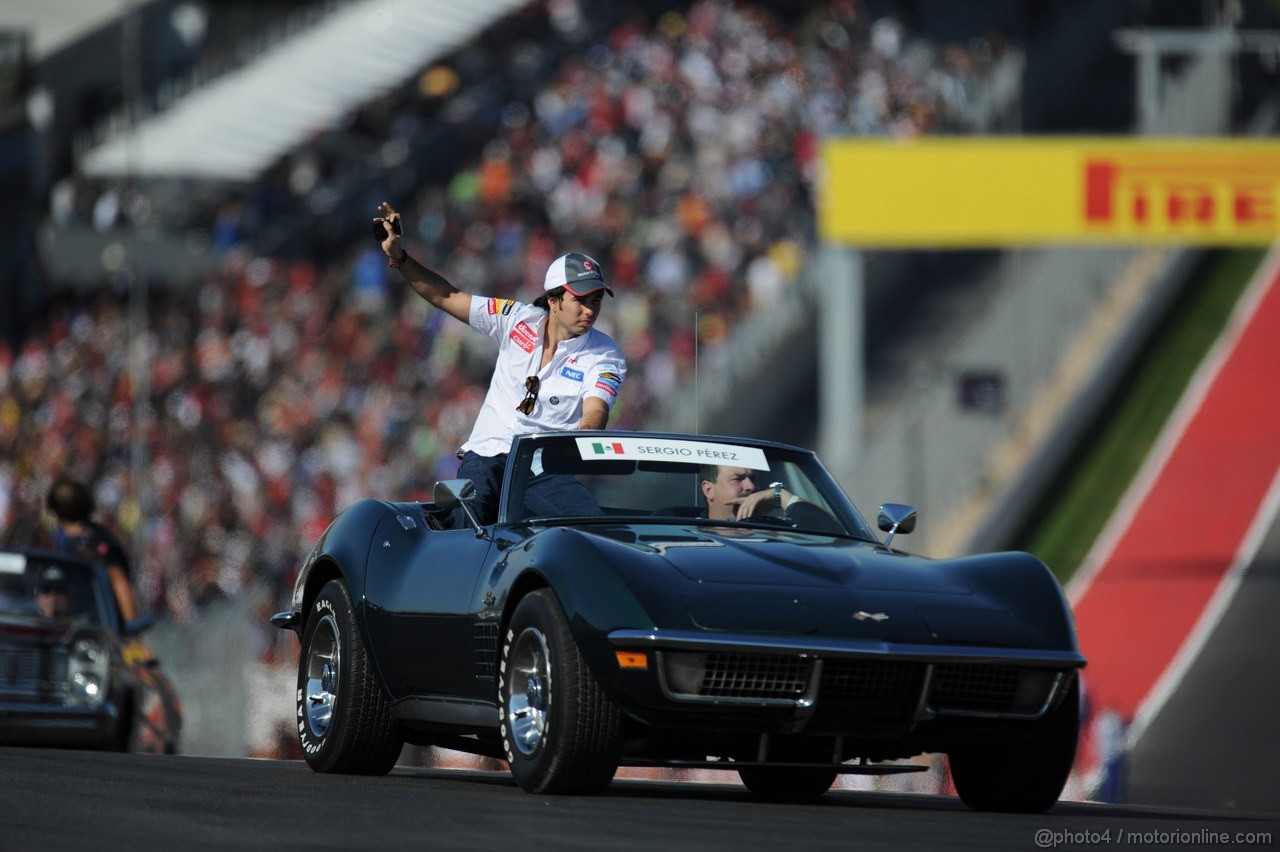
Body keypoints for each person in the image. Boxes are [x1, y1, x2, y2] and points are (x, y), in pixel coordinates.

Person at [374, 201, 627, 524]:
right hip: (486, 454)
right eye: (580, 300)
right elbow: (447, 296)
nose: (590, 310)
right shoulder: (515, 318)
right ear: (552, 299)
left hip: (543, 469)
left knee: (594, 530)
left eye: (596, 301)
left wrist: (577, 442)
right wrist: (399, 257)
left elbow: (595, 413)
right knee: (467, 531)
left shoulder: (606, 355)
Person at [46, 477, 139, 624]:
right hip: (67, 626)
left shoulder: (98, 542)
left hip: (98, 628)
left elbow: (119, 582)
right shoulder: (56, 541)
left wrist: (132, 629)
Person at [698, 465, 803, 522]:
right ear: (709, 490)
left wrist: (781, 495)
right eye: (737, 479)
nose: (751, 486)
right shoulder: (693, 542)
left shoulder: (777, 532)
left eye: (753, 479)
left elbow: (816, 524)